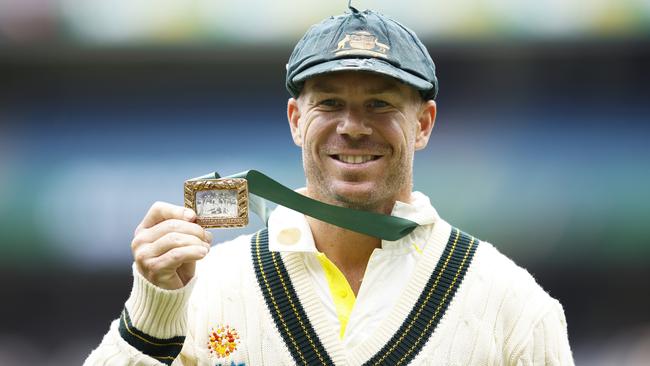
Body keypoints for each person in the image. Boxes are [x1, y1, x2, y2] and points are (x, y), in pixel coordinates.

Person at [85, 7, 574, 366]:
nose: (352, 126)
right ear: (297, 120)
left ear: (423, 124)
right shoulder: (207, 288)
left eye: (380, 104)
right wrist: (152, 314)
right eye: (330, 104)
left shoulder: (511, 305)